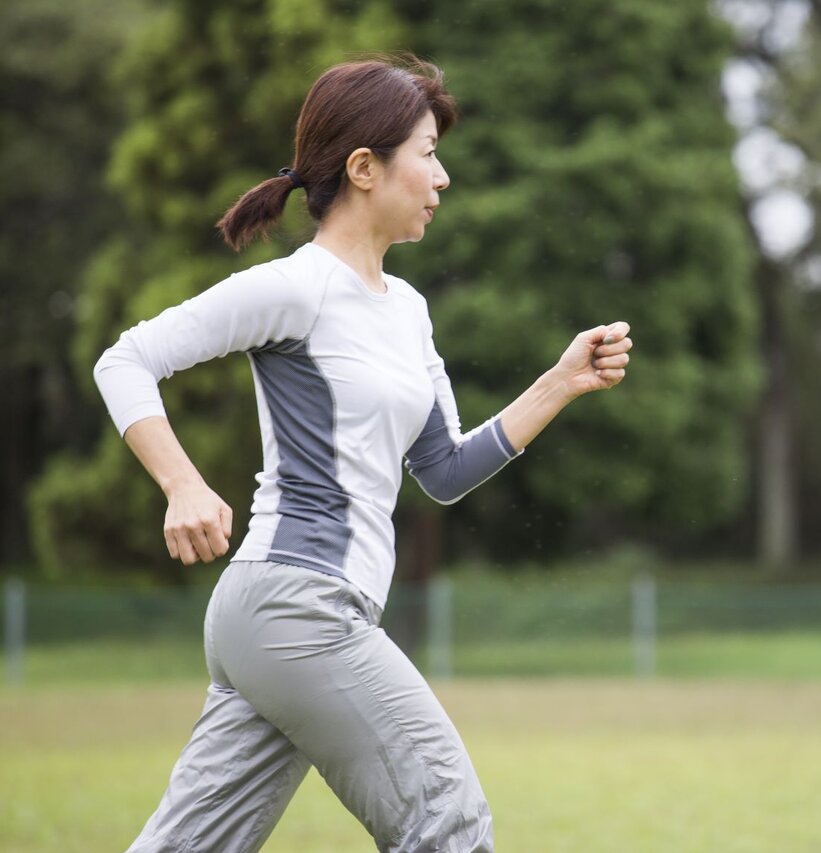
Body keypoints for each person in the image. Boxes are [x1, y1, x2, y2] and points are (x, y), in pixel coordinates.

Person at [93, 56, 632, 853]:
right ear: (364, 168)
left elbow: (442, 470)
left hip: (286, 618)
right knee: (447, 819)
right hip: (297, 605)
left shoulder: (408, 311)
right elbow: (125, 360)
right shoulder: (296, 287)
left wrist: (558, 383)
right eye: (427, 152)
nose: (443, 176)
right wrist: (181, 484)